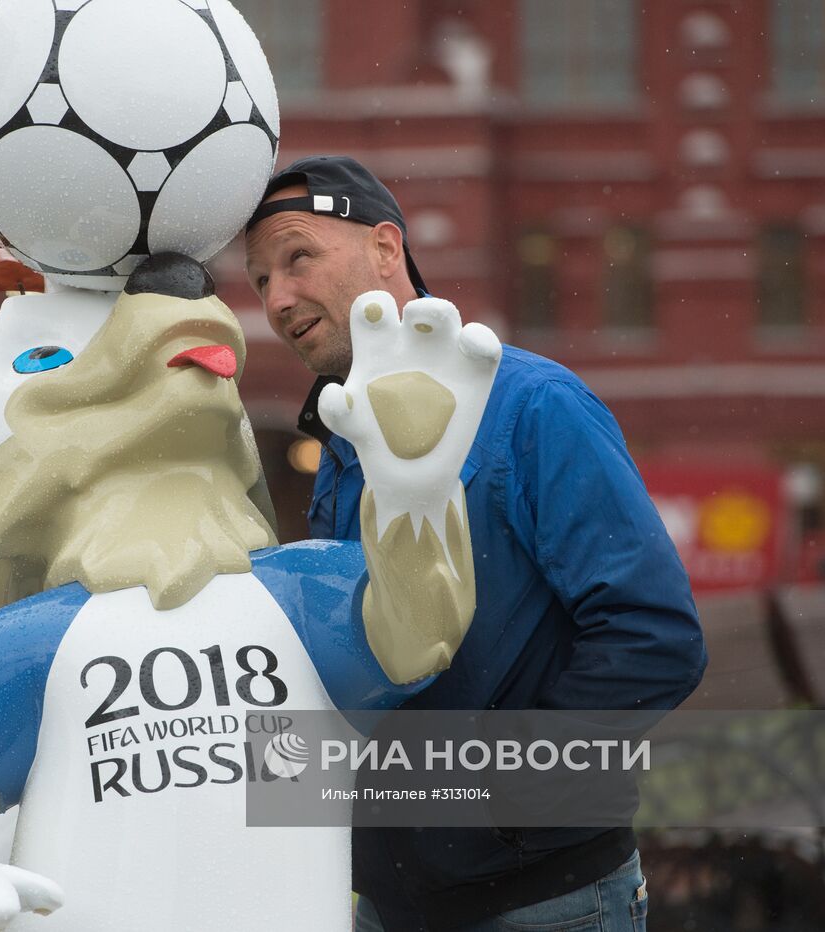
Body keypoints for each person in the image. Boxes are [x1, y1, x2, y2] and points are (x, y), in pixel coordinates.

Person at [244, 156, 707, 931]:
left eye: (298, 258)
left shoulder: (534, 405)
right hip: (390, 904)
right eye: (260, 281)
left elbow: (654, 636)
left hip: (544, 902)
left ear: (386, 250)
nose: (278, 299)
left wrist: (499, 805)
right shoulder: (342, 436)